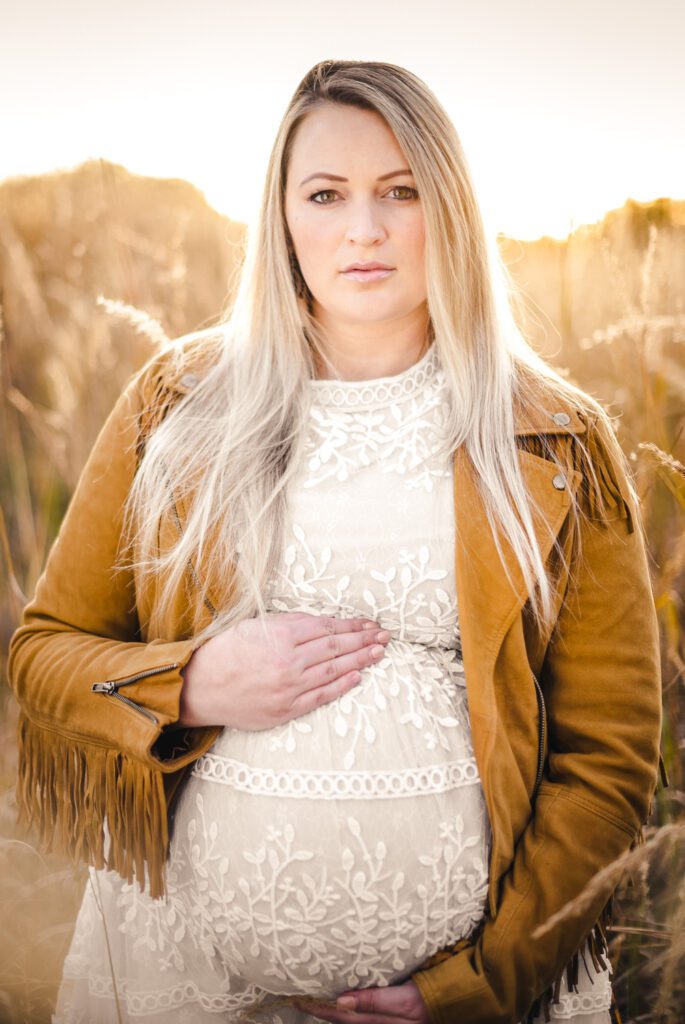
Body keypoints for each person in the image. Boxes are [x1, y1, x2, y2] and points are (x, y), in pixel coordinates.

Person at [7, 59, 665, 1024]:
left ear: (450, 207)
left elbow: (606, 758)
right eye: (325, 194)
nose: (364, 228)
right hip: (180, 976)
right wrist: (191, 683)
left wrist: (475, 988)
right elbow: (43, 655)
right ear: (280, 217)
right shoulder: (178, 402)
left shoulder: (554, 439)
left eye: (400, 191)